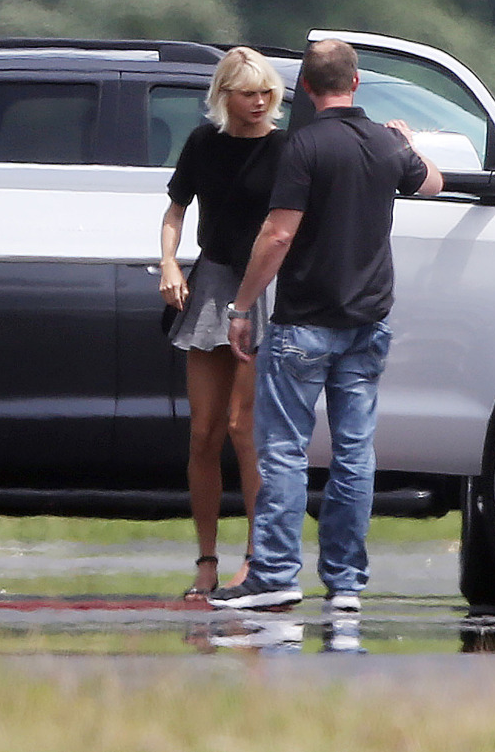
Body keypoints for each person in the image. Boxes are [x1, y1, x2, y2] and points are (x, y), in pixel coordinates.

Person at [208, 38, 443, 612]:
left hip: (304, 323)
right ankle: (344, 584)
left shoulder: (304, 146)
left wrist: (241, 307)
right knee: (355, 454)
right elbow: (432, 182)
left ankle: (276, 574)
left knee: (284, 450)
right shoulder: (386, 146)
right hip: (367, 323)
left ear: (305, 90)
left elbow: (279, 233)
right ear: (356, 83)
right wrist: (409, 143)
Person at [158, 46, 288, 600]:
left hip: (261, 288)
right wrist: (168, 262)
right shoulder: (202, 144)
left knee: (244, 430)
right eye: (247, 93)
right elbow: (175, 209)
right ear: (224, 95)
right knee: (203, 432)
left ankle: (258, 559)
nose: (257, 103)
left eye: (266, 93)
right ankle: (207, 559)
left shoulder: (287, 149)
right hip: (210, 283)